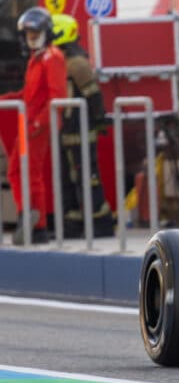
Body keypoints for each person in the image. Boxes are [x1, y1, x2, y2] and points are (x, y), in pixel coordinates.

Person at [0, 7, 66, 244]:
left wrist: (39, 123)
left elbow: (57, 97)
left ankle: (36, 223)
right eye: (27, 34)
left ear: (45, 32)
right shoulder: (35, 59)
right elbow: (28, 95)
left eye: (34, 33)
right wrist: (5, 100)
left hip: (38, 125)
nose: (31, 38)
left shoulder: (52, 58)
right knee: (18, 170)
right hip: (27, 123)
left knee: (30, 172)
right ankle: (27, 215)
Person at [51, 13, 114, 237]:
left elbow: (93, 96)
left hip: (80, 131)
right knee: (69, 179)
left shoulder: (76, 63)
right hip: (68, 130)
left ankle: (100, 223)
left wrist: (98, 120)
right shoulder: (62, 60)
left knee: (86, 176)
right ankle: (74, 223)